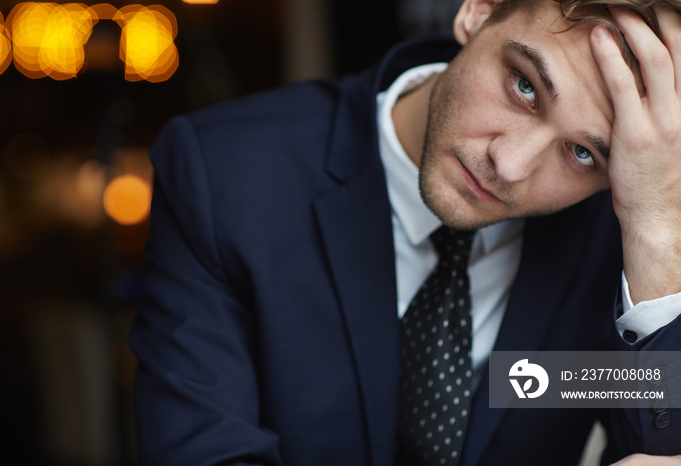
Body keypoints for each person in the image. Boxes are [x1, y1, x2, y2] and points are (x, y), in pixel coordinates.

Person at [130, 0, 681, 463]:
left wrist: (655, 233)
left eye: (582, 152)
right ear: (478, 11)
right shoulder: (225, 174)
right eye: (524, 86)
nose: (509, 165)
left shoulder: (624, 220)